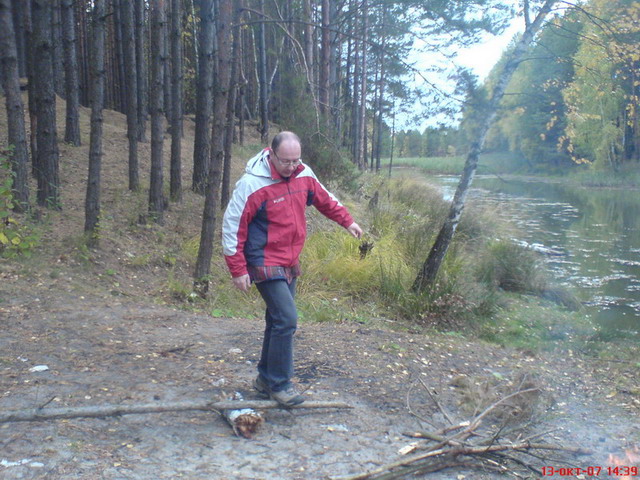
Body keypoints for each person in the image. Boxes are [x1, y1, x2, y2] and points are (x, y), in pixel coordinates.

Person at [222, 131, 363, 407]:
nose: (291, 166)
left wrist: (347, 221)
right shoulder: (252, 184)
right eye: (286, 161)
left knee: (277, 321)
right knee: (287, 319)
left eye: (296, 160)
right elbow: (232, 225)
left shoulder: (303, 173)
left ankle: (265, 379)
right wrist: (237, 269)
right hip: (262, 259)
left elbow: (325, 199)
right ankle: (279, 384)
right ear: (271, 154)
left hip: (289, 258)